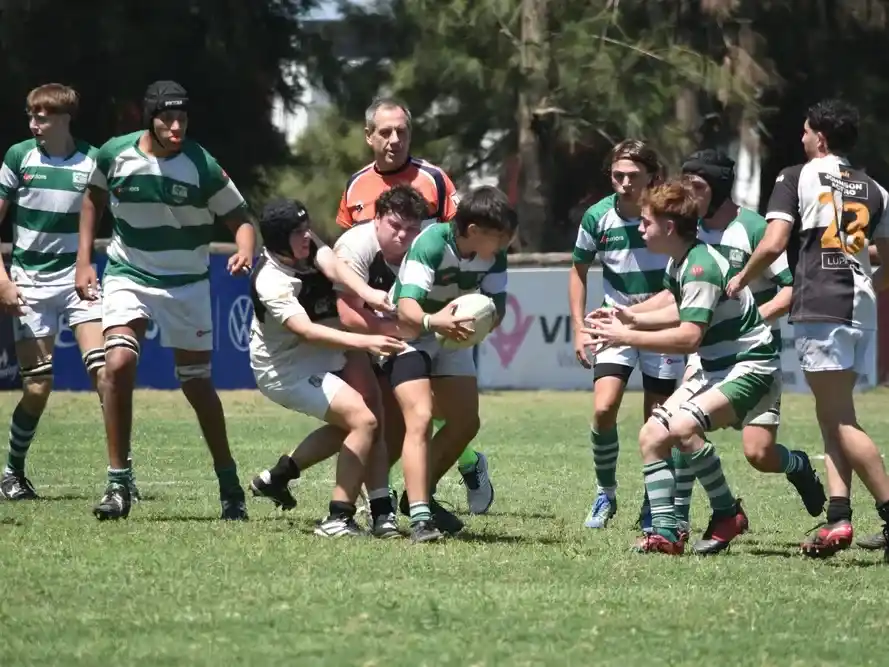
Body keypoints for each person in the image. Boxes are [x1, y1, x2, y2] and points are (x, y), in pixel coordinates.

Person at [76, 80, 256, 521]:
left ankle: (229, 483)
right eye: (167, 118)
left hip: (186, 283)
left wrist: (245, 249)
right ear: (149, 118)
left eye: (182, 118)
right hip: (127, 273)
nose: (176, 127)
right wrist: (84, 260)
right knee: (117, 365)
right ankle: (118, 483)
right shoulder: (113, 154)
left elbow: (241, 219)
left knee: (196, 385)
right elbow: (92, 200)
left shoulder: (201, 164)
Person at [726, 99, 889, 560]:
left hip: (822, 304)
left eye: (804, 131)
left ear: (820, 136)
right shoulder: (876, 188)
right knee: (833, 413)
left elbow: (775, 241)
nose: (800, 138)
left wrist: (740, 278)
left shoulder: (795, 175)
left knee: (839, 418)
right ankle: (838, 515)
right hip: (861, 307)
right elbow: (888, 264)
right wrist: (861, 288)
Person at [585, 181, 773, 555]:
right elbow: (677, 304)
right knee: (652, 436)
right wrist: (631, 317)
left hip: (749, 365)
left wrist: (626, 336)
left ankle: (726, 512)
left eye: (646, 222)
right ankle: (667, 534)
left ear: (669, 227)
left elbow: (688, 336)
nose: (640, 229)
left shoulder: (701, 266)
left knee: (683, 426)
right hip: (715, 368)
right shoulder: (682, 259)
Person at [336, 96, 494, 515]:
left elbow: (461, 239)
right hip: (381, 315)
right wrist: (367, 316)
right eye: (385, 132)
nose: (394, 139)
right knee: (392, 412)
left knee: (426, 411)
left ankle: (455, 468)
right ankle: (385, 500)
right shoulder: (355, 187)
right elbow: (354, 256)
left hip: (433, 315)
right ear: (369, 136)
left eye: (402, 131)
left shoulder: (436, 180)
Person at [249, 185, 428, 537]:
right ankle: (338, 517)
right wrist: (368, 339)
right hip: (285, 368)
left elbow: (332, 266)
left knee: (364, 420)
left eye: (306, 229)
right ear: (277, 241)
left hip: (325, 351)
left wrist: (366, 293)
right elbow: (307, 332)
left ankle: (371, 509)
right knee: (363, 421)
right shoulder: (270, 280)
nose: (307, 237)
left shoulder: (304, 245)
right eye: (299, 233)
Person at [674, 149, 825, 522]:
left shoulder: (756, 229)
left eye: (697, 185)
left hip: (752, 357)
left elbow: (792, 288)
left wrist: (754, 318)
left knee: (759, 455)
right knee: (680, 428)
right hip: (705, 356)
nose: (687, 194)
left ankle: (798, 465)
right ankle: (673, 521)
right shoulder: (684, 229)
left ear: (719, 188)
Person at [0, 83, 115, 500]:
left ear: (65, 118)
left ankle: (121, 476)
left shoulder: (93, 160)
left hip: (77, 282)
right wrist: (3, 280)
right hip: (29, 283)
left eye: (42, 117)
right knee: (37, 386)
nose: (34, 124)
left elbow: (116, 217)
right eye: (31, 116)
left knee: (107, 375)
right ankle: (12, 471)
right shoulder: (18, 157)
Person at [388, 185, 516, 542]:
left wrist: (481, 325)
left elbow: (497, 307)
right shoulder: (432, 243)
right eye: (500, 235)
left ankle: (419, 495)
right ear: (473, 231)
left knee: (464, 423)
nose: (506, 242)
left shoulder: (495, 256)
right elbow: (407, 308)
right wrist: (435, 322)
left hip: (452, 336)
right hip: (410, 335)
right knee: (421, 417)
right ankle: (420, 519)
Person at [568, 139, 683, 529]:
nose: (624, 183)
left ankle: (654, 501)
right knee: (603, 409)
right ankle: (606, 492)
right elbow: (578, 270)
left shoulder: (669, 214)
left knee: (658, 419)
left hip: (662, 326)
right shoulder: (597, 216)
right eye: (617, 176)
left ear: (653, 175)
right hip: (614, 325)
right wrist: (579, 328)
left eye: (633, 176)